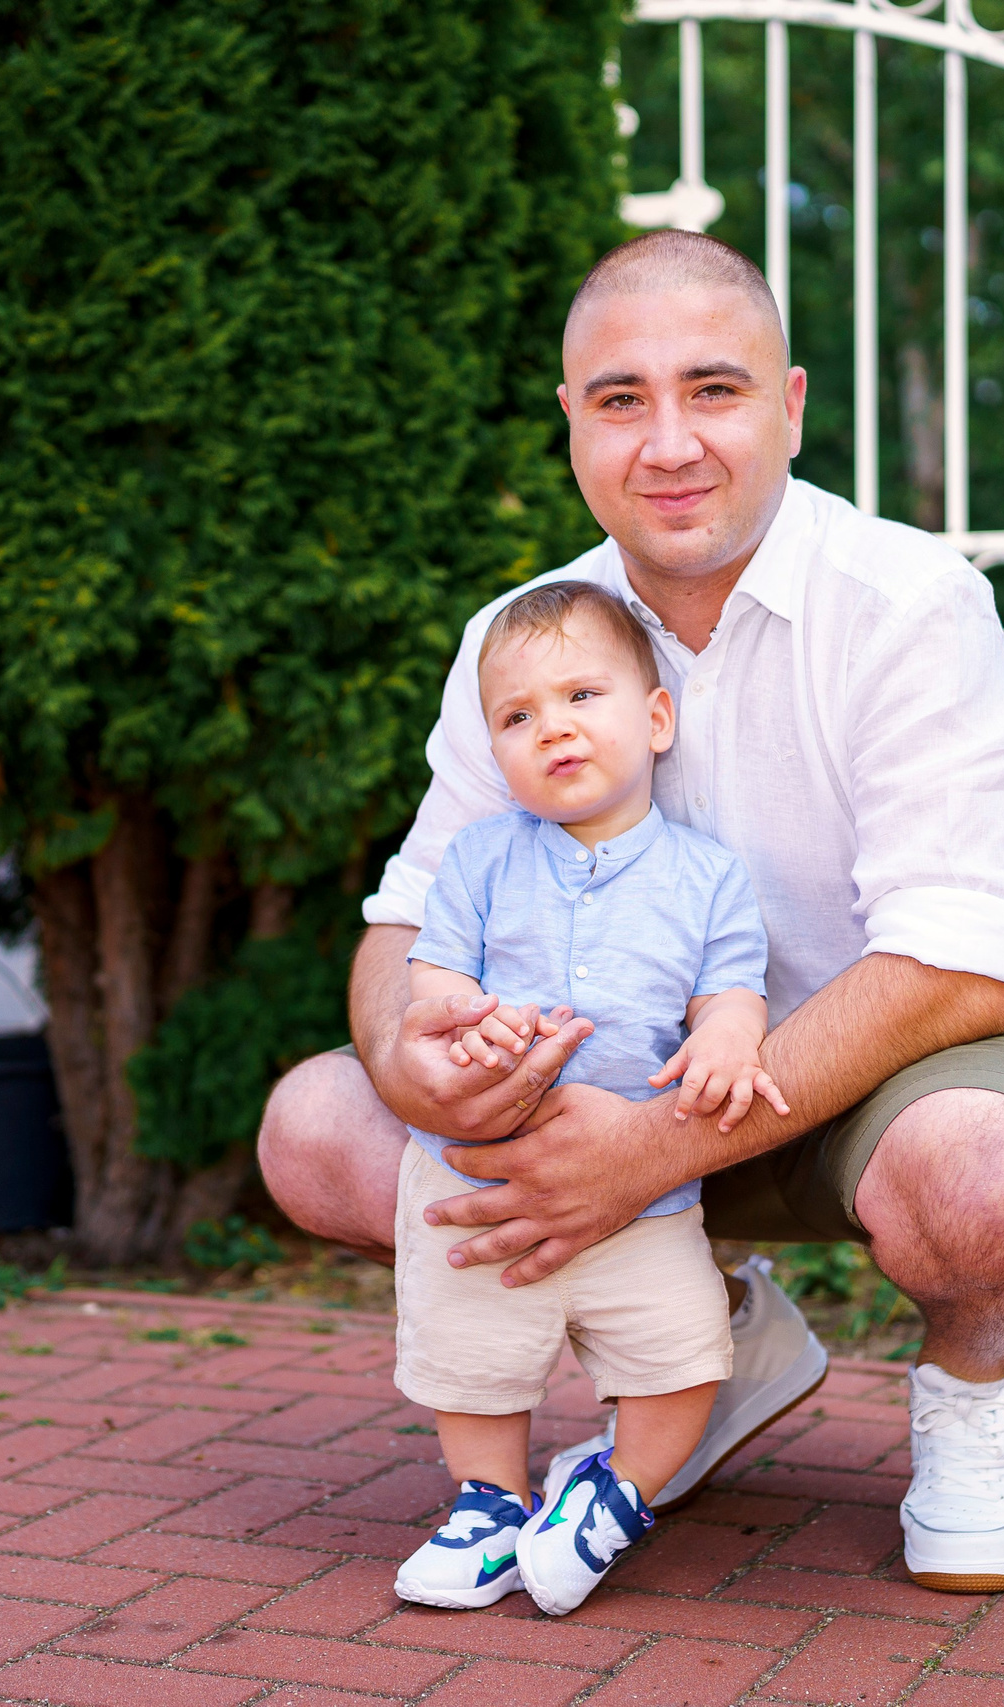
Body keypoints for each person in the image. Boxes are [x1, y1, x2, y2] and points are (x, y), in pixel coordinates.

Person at [259, 228, 1004, 1594]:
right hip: (634, 1072)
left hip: (907, 1065)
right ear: (572, 426)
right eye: (620, 400)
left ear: (789, 405)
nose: (667, 443)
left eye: (713, 390)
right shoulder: (524, 637)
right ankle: (700, 1343)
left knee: (986, 1182)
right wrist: (408, 1052)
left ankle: (968, 1394)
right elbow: (404, 917)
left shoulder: (905, 604)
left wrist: (647, 1152)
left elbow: (958, 973)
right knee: (319, 1125)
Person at [390, 580, 787, 1617]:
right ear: (496, 751)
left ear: (655, 720)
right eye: (517, 717)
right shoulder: (480, 859)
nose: (551, 728)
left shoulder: (706, 875)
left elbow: (730, 985)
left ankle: (616, 1491)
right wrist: (460, 1015)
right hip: (485, 1172)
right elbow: (433, 974)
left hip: (645, 1183)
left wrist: (729, 1034)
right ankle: (489, 1504)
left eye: (581, 696)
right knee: (471, 1356)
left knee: (682, 1356)